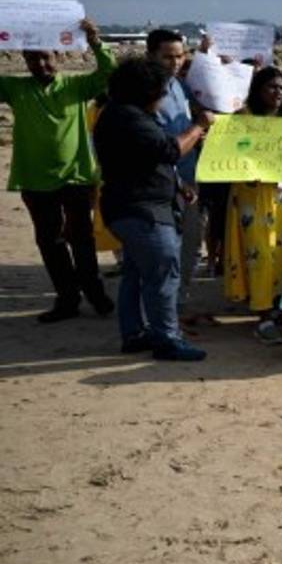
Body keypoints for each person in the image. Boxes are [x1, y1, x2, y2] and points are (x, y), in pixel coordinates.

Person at [94, 57, 212, 361]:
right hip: (142, 212)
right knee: (163, 273)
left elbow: (147, 162)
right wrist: (198, 126)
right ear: (145, 92)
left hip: (134, 207)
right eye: (161, 92)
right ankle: (167, 340)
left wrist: (176, 186)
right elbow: (169, 151)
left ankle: (134, 333)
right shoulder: (130, 119)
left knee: (136, 272)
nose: (163, 98)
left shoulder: (122, 115)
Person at [0, 18, 115, 322]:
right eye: (31, 58)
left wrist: (95, 41)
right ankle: (67, 298)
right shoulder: (14, 87)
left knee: (81, 238)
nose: (39, 63)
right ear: (23, 59)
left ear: (60, 56)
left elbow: (109, 74)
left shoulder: (77, 86)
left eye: (45, 56)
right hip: (35, 179)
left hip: (76, 176)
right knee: (49, 241)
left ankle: (95, 291)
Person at [223, 67, 282, 342]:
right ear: (258, 89)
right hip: (252, 197)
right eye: (271, 87)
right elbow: (230, 154)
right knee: (259, 252)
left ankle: (281, 308)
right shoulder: (242, 119)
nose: (277, 93)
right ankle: (262, 314)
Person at [146, 29, 212, 321]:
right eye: (167, 56)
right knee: (166, 250)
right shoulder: (147, 92)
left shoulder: (178, 85)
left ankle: (177, 302)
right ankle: (162, 311)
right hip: (166, 182)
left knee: (192, 244)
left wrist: (207, 58)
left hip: (191, 177)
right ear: (151, 57)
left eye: (179, 55)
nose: (174, 62)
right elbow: (158, 145)